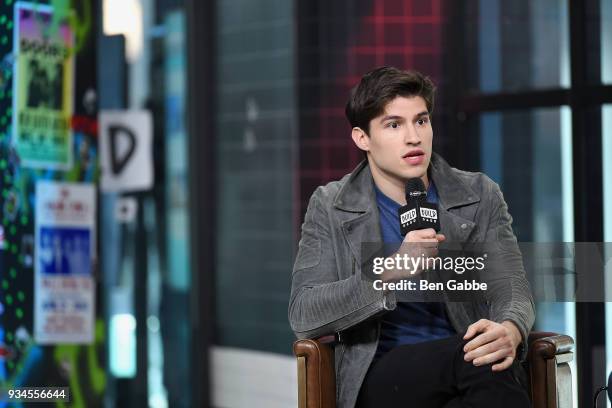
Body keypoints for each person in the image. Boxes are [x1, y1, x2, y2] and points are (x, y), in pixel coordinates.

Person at [288, 66, 535, 408]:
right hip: (384, 374)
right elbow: (304, 314)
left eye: (421, 120)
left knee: (481, 359)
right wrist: (391, 270)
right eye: (394, 125)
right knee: (478, 358)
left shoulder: (479, 194)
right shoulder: (331, 205)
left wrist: (509, 329)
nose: (414, 137)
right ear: (363, 139)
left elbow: (511, 286)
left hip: (467, 371)